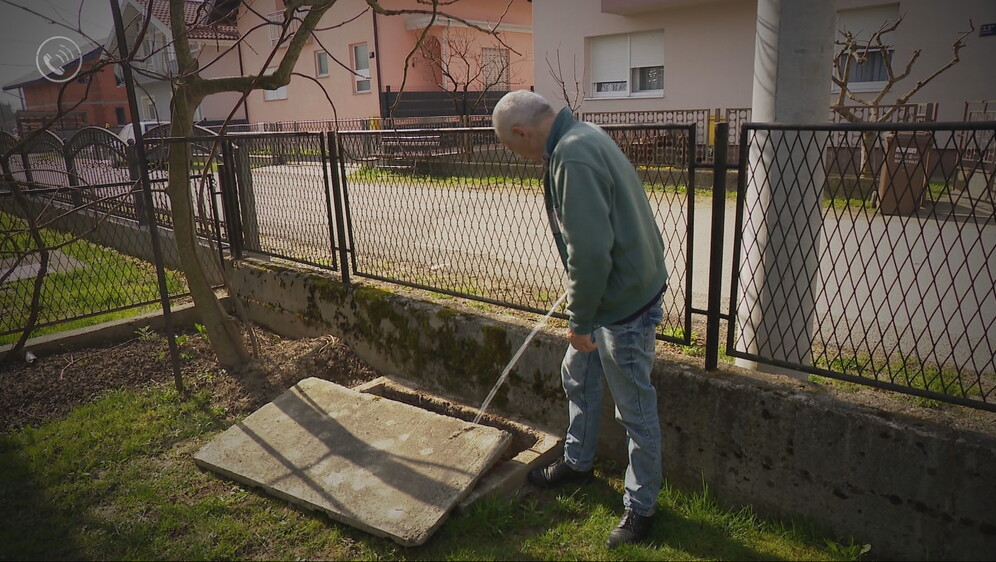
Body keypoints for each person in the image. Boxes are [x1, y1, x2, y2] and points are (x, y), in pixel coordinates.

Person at [491, 90, 668, 549]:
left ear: (521, 132)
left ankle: (641, 508)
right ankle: (578, 460)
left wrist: (581, 321)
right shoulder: (583, 133)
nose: (519, 155)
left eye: (513, 147)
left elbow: (590, 252)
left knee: (634, 407)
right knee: (577, 372)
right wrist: (583, 309)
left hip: (623, 303)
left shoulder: (572, 155)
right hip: (618, 288)